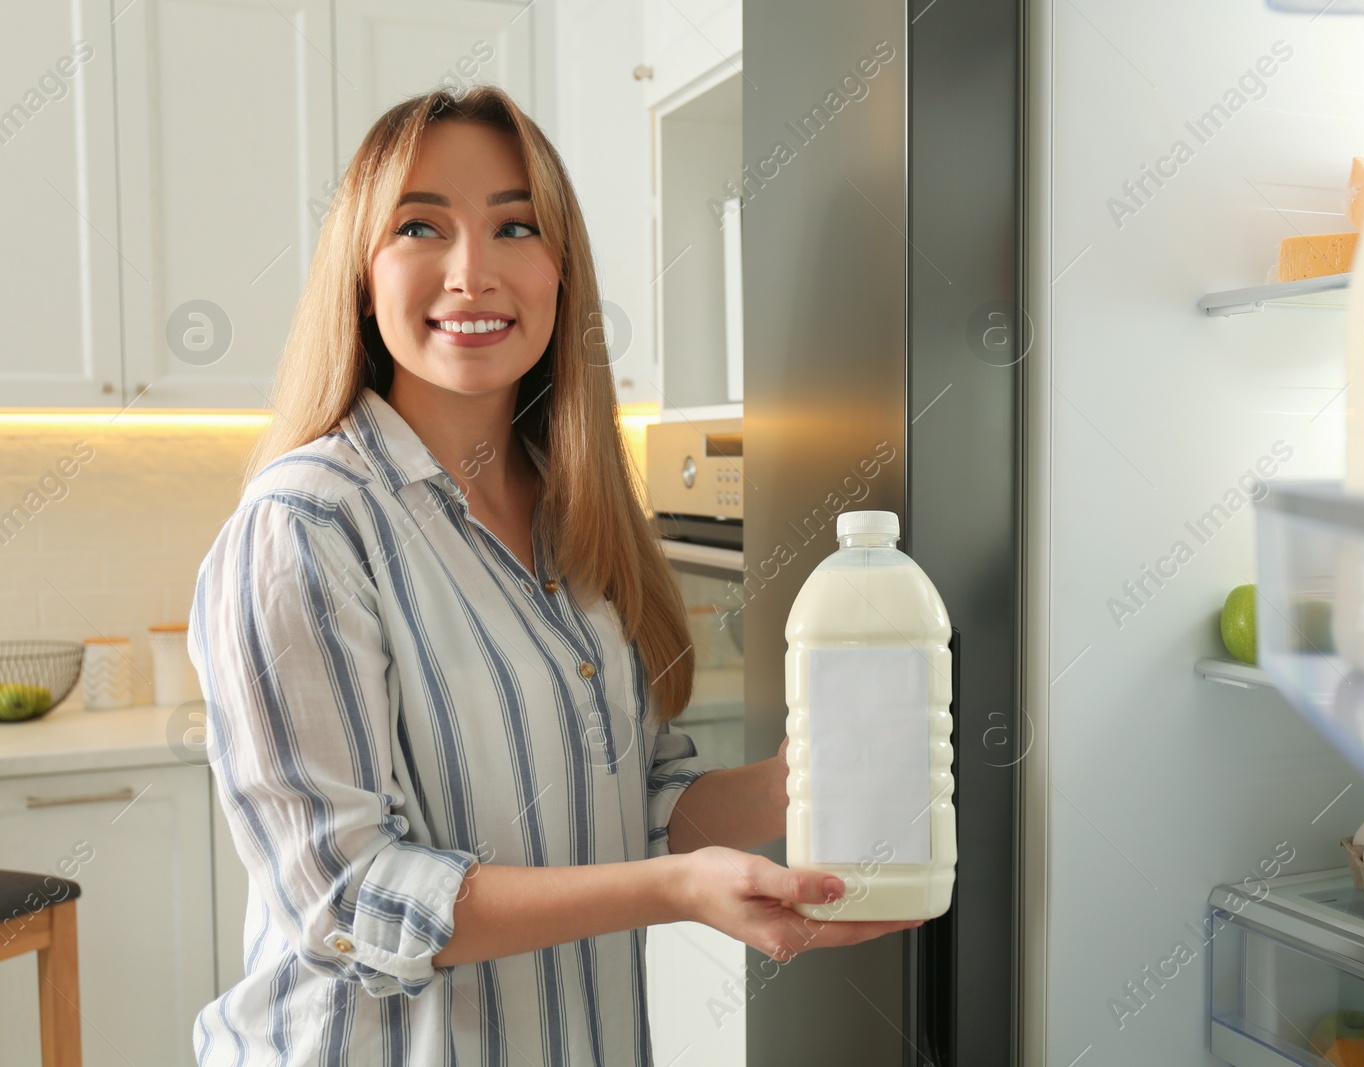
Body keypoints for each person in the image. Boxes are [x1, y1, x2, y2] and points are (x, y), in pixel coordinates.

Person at [187, 85, 920, 1066]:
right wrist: (673, 888)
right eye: (420, 226)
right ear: (363, 276)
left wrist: (804, 785)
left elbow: (632, 805)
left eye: (514, 226)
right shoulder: (307, 523)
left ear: (559, 270)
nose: (471, 273)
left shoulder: (579, 520)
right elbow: (349, 899)